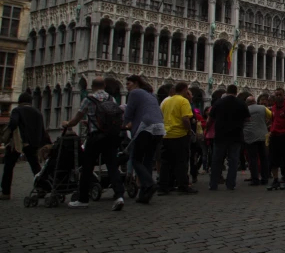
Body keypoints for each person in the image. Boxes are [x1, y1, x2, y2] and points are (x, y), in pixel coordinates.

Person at [64, 77, 126, 210]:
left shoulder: (88, 99)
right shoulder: (112, 99)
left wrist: (67, 124)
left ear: (92, 86)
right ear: (104, 86)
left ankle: (83, 199)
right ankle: (120, 195)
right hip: (110, 137)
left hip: (95, 137)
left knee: (87, 167)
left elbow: (76, 119)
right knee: (112, 166)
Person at [123, 75, 165, 204]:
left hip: (146, 128)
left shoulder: (135, 93)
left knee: (136, 159)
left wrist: (123, 124)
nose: (127, 86)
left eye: (128, 84)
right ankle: (144, 193)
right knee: (147, 160)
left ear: (136, 83)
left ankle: (149, 183)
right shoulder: (151, 95)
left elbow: (128, 113)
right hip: (159, 128)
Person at [1, 93, 46, 200]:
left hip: (19, 142)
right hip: (33, 143)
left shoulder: (17, 110)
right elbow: (42, 129)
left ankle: (6, 192)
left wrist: (10, 134)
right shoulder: (37, 112)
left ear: (20, 102)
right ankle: (41, 188)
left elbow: (14, 122)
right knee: (35, 166)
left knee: (9, 166)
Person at [207, 85, 249, 191]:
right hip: (236, 136)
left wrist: (206, 130)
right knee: (233, 161)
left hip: (220, 135)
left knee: (217, 161)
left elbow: (210, 119)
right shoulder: (241, 103)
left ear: (227, 91)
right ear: (236, 92)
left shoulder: (218, 103)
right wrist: (239, 124)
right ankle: (230, 184)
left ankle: (213, 184)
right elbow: (248, 119)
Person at [159, 82, 197, 195]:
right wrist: (189, 130)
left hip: (166, 134)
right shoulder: (183, 101)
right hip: (179, 134)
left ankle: (164, 187)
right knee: (181, 161)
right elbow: (185, 119)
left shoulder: (167, 101)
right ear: (185, 89)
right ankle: (183, 185)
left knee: (166, 163)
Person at [243, 95, 271, 186]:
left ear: (247, 103)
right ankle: (265, 178)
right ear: (255, 101)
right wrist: (265, 124)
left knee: (253, 159)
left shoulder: (245, 109)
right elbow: (271, 116)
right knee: (264, 158)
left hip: (250, 136)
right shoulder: (263, 108)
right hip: (263, 135)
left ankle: (255, 179)